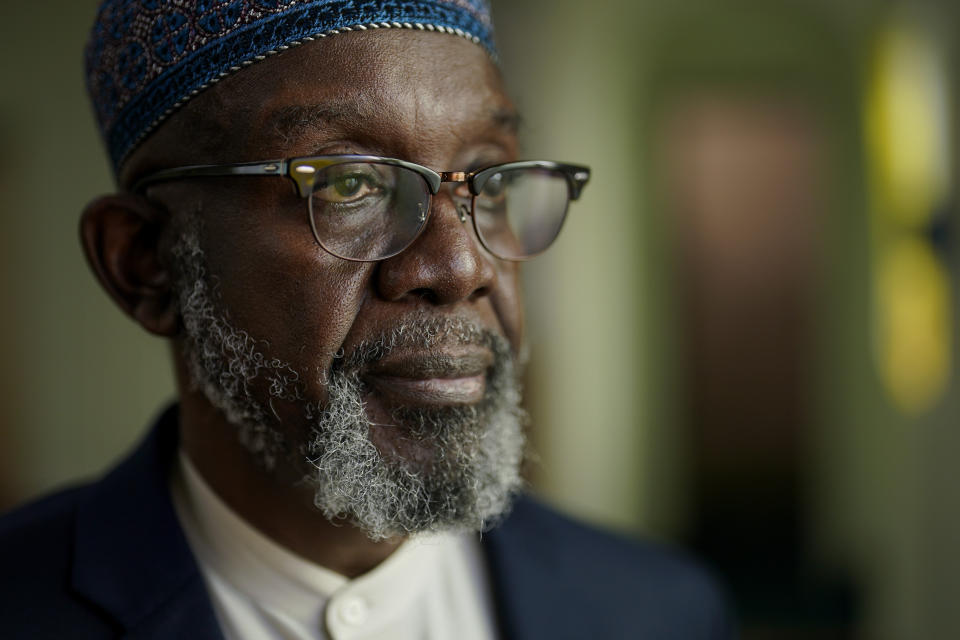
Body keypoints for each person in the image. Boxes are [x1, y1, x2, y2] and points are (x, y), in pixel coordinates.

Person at [0, 1, 733, 638]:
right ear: (145, 263)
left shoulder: (659, 610)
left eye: (488, 177)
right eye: (351, 183)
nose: (461, 267)